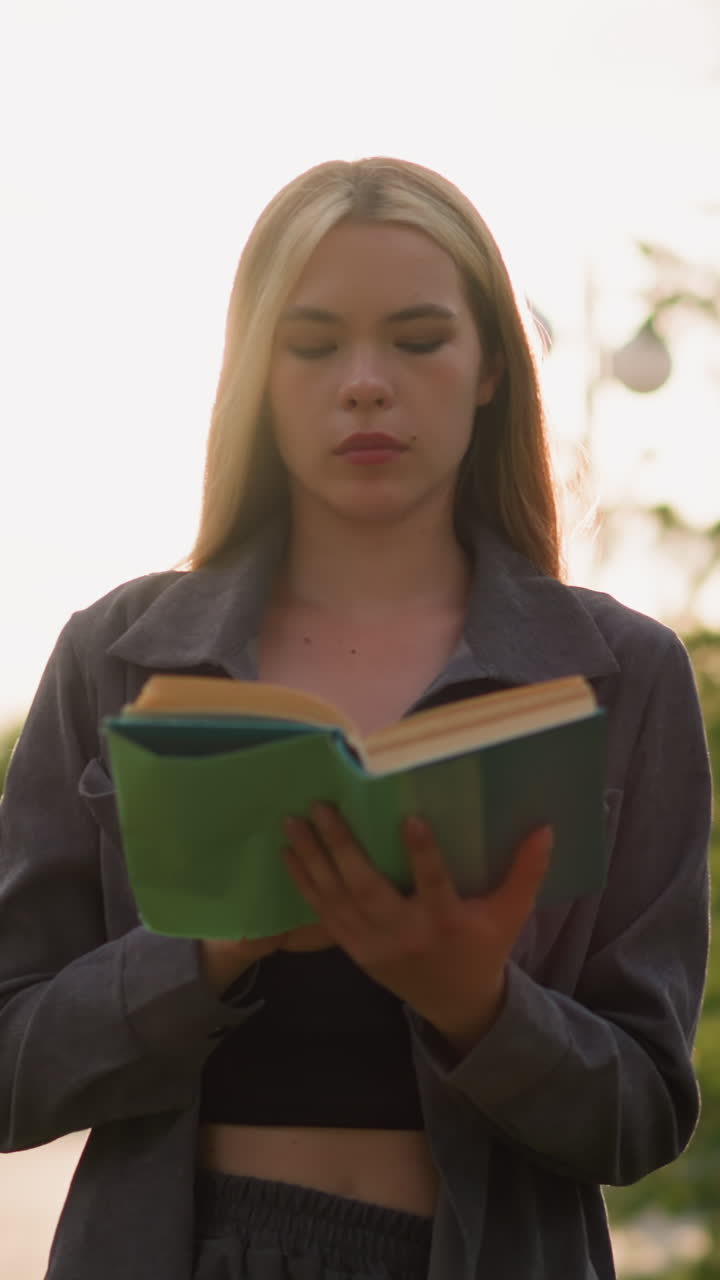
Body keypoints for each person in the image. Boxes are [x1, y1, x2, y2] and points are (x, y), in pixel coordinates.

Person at [0, 157, 711, 1280]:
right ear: (255, 374)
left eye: (420, 339)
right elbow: (12, 1066)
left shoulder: (623, 674)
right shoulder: (117, 655)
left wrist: (475, 1000)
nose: (366, 382)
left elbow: (644, 1115)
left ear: (488, 370)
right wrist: (210, 942)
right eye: (314, 342)